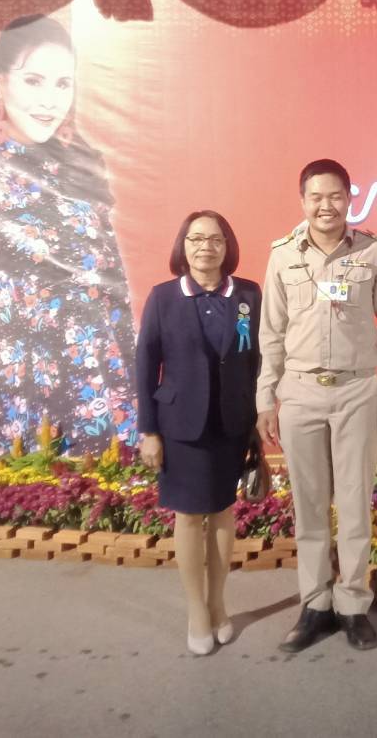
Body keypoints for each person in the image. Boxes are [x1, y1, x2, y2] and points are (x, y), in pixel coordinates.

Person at [0, 14, 137, 456]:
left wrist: (139, 385)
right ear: (0, 84)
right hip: (23, 378)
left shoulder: (82, 166)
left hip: (106, 379)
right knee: (31, 491)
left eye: (63, 84)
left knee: (116, 493)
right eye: (34, 80)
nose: (49, 100)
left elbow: (115, 290)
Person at [256, 159, 377, 654]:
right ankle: (315, 603)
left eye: (335, 196)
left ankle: (353, 604)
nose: (326, 205)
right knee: (310, 504)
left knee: (355, 503)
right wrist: (266, 397)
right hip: (300, 392)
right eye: (316, 197)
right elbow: (271, 333)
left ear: (349, 199)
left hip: (357, 391)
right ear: (303, 200)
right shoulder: (282, 256)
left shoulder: (373, 252)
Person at [135, 211, 261, 656]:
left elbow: (256, 359)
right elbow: (146, 365)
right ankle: (196, 611)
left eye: (215, 239)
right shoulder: (164, 297)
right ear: (183, 246)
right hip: (180, 426)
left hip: (231, 422)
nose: (206, 246)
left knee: (223, 512)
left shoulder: (248, 294)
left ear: (228, 246)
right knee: (188, 517)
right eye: (196, 239)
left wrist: (256, 421)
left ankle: (218, 603)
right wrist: (149, 430)